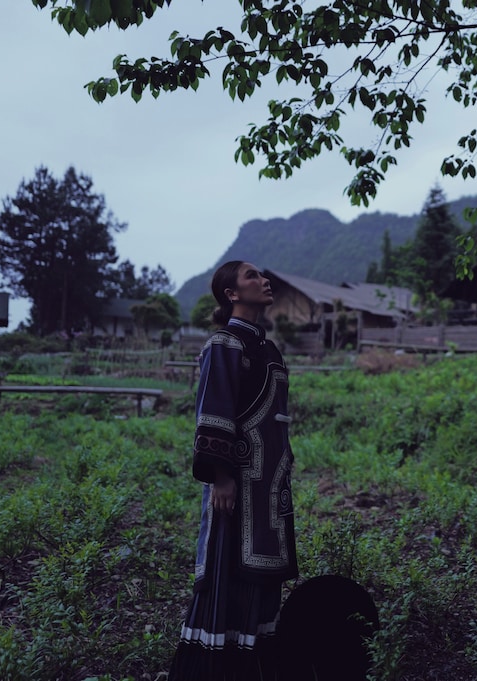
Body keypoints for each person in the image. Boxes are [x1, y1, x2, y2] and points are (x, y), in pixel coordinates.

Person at [169, 261, 298, 680]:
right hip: (237, 483)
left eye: (263, 275)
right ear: (232, 294)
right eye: (251, 276)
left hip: (269, 486)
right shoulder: (224, 345)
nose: (265, 280)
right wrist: (221, 477)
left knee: (264, 569)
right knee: (229, 567)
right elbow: (214, 410)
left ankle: (256, 659)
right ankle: (217, 666)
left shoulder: (268, 349)